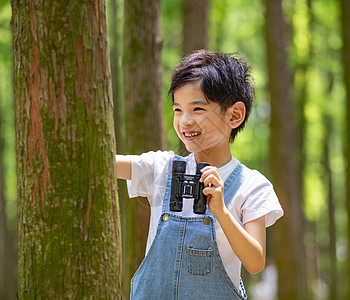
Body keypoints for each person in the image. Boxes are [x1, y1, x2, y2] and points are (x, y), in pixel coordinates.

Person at [116, 50, 283, 300]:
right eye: (178, 110)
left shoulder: (252, 185)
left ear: (234, 115)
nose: (184, 121)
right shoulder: (162, 168)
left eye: (197, 109)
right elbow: (107, 164)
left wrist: (222, 214)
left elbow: (255, 261)